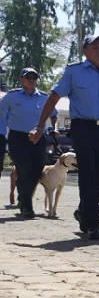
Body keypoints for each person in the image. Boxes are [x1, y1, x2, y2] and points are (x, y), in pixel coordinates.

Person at [32, 34, 99, 239]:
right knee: (87, 172)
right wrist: (39, 125)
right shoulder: (74, 72)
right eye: (95, 46)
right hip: (82, 127)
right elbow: (54, 97)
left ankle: (83, 210)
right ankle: (92, 223)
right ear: (84, 51)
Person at [0, 68, 59, 218]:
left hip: (39, 137)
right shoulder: (11, 96)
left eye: (34, 77)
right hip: (18, 138)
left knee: (37, 169)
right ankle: (27, 205)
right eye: (28, 77)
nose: (31, 80)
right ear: (21, 80)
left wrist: (54, 128)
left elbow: (54, 115)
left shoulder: (44, 97)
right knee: (24, 168)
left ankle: (23, 198)